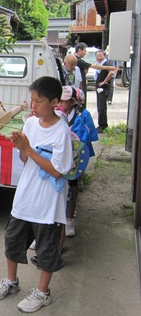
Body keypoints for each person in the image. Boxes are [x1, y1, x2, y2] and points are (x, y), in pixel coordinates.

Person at [0, 76, 73, 313]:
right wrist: (21, 148)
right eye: (32, 100)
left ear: (55, 102)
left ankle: (43, 293)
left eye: (39, 101)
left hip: (48, 203)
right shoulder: (30, 124)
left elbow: (57, 171)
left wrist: (29, 150)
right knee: (13, 240)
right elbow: (25, 160)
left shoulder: (61, 132)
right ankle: (11, 281)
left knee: (46, 249)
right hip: (25, 196)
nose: (33, 106)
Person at [57, 86, 89, 239]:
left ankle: (69, 220)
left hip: (73, 160)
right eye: (60, 99)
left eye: (65, 100)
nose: (62, 103)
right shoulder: (55, 115)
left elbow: (82, 142)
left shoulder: (80, 118)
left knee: (72, 188)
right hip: (57, 159)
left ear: (73, 102)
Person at [94, 49, 114, 133]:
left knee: (102, 107)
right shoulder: (100, 64)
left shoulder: (106, 64)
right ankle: (101, 124)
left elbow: (111, 72)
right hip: (99, 89)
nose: (98, 57)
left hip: (103, 89)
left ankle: (102, 125)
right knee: (99, 106)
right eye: (97, 56)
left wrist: (104, 81)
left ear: (104, 56)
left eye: (100, 55)